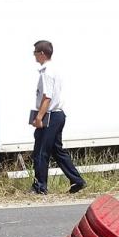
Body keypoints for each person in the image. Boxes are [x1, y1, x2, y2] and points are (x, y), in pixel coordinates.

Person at [30, 40, 85, 195]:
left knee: (41, 151)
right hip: (58, 115)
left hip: (50, 115)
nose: (33, 55)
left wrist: (39, 117)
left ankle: (40, 186)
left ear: (41, 53)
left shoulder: (46, 72)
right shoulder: (55, 70)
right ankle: (77, 180)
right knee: (57, 151)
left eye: (35, 52)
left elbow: (47, 97)